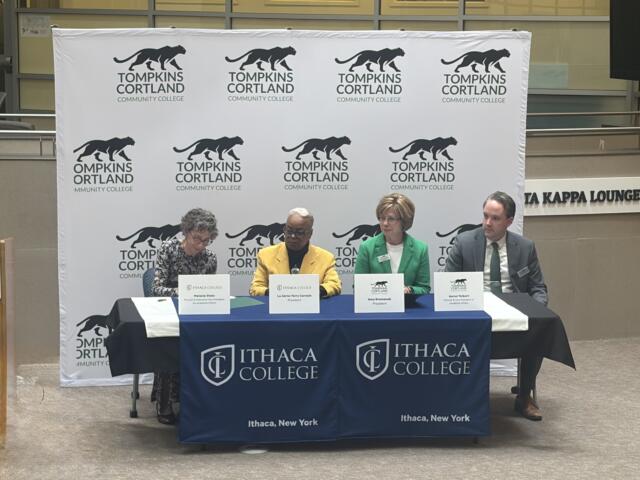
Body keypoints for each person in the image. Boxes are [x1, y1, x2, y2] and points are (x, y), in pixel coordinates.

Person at [445, 191, 548, 421]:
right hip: (475, 314)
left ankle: (524, 395)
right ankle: (462, 395)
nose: (487, 223)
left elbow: (538, 288)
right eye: (485, 216)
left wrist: (536, 312)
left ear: (509, 221)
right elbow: (448, 283)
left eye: (495, 218)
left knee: (539, 330)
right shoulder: (464, 242)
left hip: (513, 314)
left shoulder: (525, 247)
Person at [151, 207, 218, 424]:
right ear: (186, 232)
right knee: (168, 344)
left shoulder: (210, 258)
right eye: (197, 238)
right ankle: (164, 402)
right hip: (168, 312)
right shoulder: (168, 249)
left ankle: (196, 398)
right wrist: (185, 292)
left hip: (196, 313)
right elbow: (156, 288)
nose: (200, 245)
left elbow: (210, 292)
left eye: (206, 240)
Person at [249, 207, 341, 297]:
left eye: (299, 232)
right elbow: (256, 288)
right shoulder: (265, 255)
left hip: (311, 305)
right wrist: (274, 293)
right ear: (284, 229)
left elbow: (334, 284)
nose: (292, 236)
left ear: (310, 233)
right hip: (278, 305)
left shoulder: (326, 258)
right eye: (289, 231)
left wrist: (316, 291)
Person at [354, 193, 430, 294]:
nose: (385, 223)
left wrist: (409, 290)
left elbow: (424, 288)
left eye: (391, 219)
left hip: (407, 303)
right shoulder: (367, 247)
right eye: (382, 218)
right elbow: (358, 286)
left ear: (404, 221)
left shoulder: (420, 249)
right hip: (376, 302)